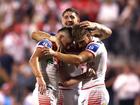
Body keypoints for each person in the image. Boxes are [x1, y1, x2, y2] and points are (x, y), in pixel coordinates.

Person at [31, 8, 112, 105]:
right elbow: (34, 34)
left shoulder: (84, 40)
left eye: (72, 17)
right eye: (66, 17)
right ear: (62, 20)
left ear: (78, 20)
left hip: (76, 90)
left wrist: (96, 25)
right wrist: (53, 38)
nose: (69, 19)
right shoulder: (60, 37)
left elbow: (107, 33)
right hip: (57, 88)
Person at [44, 24, 110, 105]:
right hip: (86, 90)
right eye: (78, 43)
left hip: (95, 90)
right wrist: (55, 39)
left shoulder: (95, 45)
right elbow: (36, 35)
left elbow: (78, 59)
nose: (80, 45)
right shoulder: (81, 43)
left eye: (82, 42)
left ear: (88, 35)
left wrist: (55, 54)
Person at [29, 27, 73, 105]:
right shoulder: (48, 43)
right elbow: (33, 59)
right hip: (45, 91)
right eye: (68, 43)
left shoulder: (59, 52)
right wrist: (39, 77)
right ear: (62, 37)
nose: (68, 46)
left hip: (54, 93)